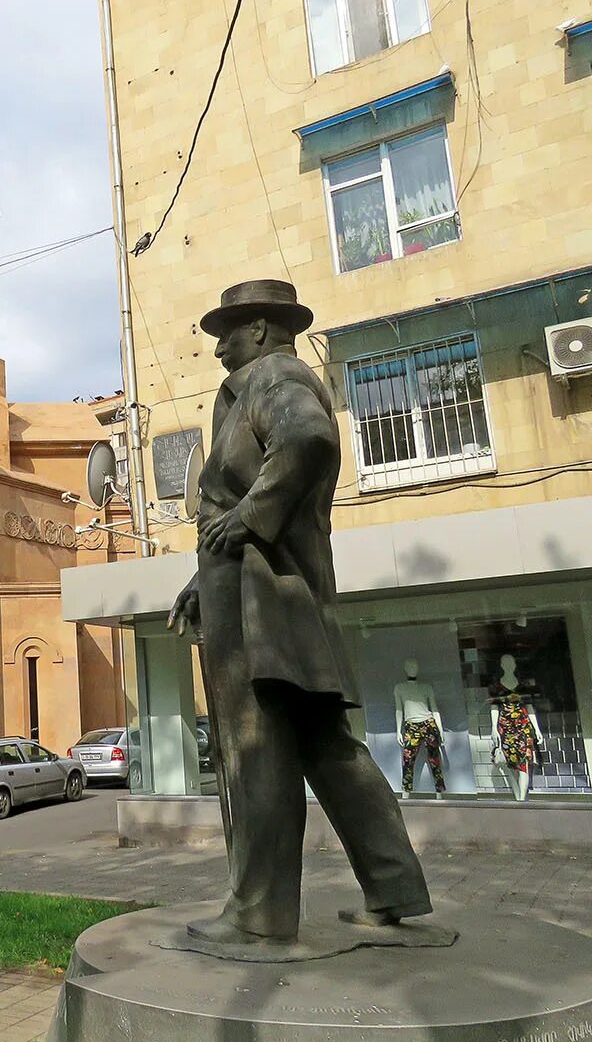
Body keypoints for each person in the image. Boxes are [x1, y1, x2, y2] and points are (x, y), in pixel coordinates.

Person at [169, 279, 431, 944]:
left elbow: (306, 440)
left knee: (257, 751)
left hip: (262, 606)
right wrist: (206, 576)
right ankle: (394, 890)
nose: (219, 347)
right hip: (277, 596)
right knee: (326, 748)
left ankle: (259, 912)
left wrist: (247, 522)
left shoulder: (273, 375)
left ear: (260, 329)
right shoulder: (255, 385)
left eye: (226, 332)